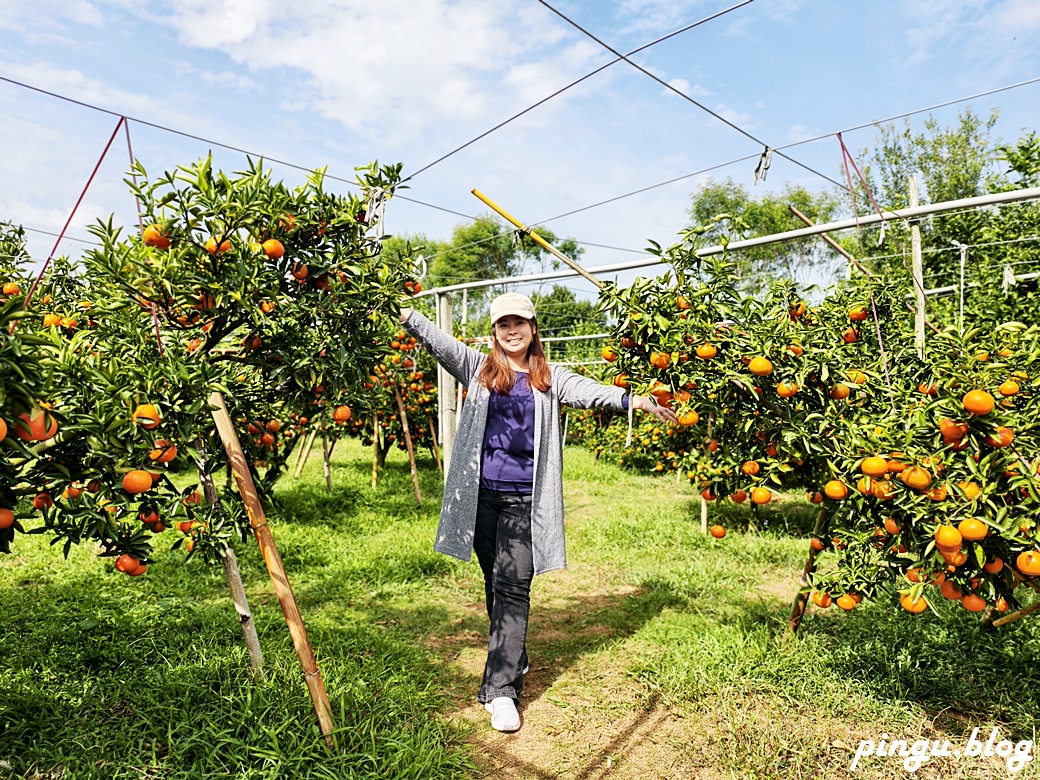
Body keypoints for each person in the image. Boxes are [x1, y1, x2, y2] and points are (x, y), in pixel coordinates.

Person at [399, 292, 675, 733]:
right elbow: (439, 343)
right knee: (495, 581)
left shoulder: (550, 377)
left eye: (519, 323)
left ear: (532, 328)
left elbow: (589, 392)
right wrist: (407, 313)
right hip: (481, 498)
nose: (512, 331)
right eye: (503, 324)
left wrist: (633, 401)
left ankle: (501, 691)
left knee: (512, 587)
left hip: (526, 501)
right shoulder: (479, 368)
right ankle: (514, 653)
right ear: (494, 332)